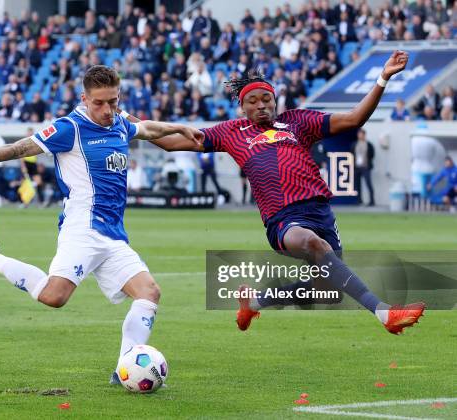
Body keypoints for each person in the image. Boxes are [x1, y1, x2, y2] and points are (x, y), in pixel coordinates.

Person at [0, 65, 202, 382]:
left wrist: (181, 128)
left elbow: (149, 129)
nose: (107, 110)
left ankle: (124, 368)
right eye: (99, 103)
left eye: (113, 101)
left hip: (113, 235)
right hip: (82, 228)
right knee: (53, 297)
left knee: (149, 292)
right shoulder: (69, 128)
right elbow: (19, 148)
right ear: (85, 98)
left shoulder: (119, 123)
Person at [128, 50, 425, 335]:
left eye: (266, 99)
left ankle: (256, 301)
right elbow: (169, 143)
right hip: (283, 219)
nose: (261, 105)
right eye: (253, 101)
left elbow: (353, 119)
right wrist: (124, 120)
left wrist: (383, 78)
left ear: (275, 100)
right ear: (243, 107)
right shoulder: (231, 132)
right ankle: (384, 312)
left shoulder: (298, 121)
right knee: (311, 243)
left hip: (321, 211)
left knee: (329, 286)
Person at [352, 128, 375, 206]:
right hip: (357, 167)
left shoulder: (369, 144)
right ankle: (359, 200)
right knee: (357, 184)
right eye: (359, 134)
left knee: (368, 183)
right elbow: (352, 153)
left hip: (366, 167)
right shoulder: (355, 144)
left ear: (364, 135)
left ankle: (372, 201)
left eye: (361, 134)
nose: (360, 136)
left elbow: (372, 154)